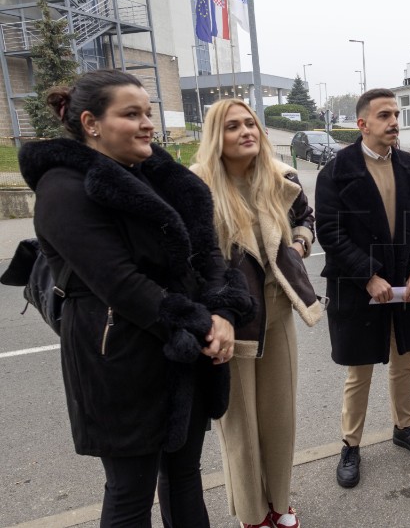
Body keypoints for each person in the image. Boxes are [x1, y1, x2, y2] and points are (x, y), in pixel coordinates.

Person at [17, 69, 252, 527]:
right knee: (130, 493)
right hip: (118, 359)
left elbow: (208, 255)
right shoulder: (62, 189)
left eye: (148, 112)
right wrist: (204, 325)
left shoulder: (161, 178)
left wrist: (223, 312)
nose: (147, 123)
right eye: (131, 114)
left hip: (184, 352)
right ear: (90, 122)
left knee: (184, 476)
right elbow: (121, 283)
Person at [192, 99, 324, 528]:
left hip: (278, 310)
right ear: (216, 137)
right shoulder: (197, 188)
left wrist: (299, 245)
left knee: (278, 418)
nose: (246, 131)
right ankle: (253, 514)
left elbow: (307, 219)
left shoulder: (280, 178)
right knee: (239, 426)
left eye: (250, 123)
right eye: (233, 126)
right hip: (230, 321)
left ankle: (280, 502)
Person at [316, 88, 410, 489]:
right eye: (384, 115)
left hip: (407, 285)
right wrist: (367, 274)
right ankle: (351, 444)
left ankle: (404, 427)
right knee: (360, 369)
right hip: (358, 287)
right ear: (362, 124)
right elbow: (330, 234)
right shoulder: (336, 171)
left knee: (404, 360)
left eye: (396, 114)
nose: (394, 122)